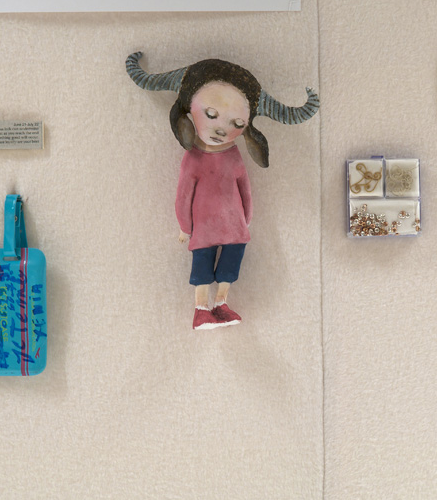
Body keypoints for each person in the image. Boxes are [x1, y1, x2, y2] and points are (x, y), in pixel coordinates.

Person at [126, 53, 319, 330]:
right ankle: (201, 309)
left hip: (235, 228)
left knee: (230, 266)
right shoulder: (193, 158)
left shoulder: (233, 156)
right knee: (202, 266)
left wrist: (246, 218)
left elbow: (244, 188)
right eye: (211, 114)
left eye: (237, 124)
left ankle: (221, 303)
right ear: (187, 111)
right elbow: (183, 195)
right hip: (204, 229)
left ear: (247, 128)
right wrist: (185, 227)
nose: (220, 129)